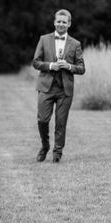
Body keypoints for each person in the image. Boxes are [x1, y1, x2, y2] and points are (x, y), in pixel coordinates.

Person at [32, 9, 85, 163]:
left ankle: (57, 153)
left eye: (64, 22)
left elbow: (81, 68)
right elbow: (36, 62)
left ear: (69, 24)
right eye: (58, 21)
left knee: (61, 123)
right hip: (46, 87)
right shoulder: (44, 39)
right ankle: (45, 146)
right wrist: (50, 65)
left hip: (64, 90)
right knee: (42, 120)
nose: (61, 24)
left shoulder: (75, 44)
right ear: (54, 22)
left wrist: (69, 66)